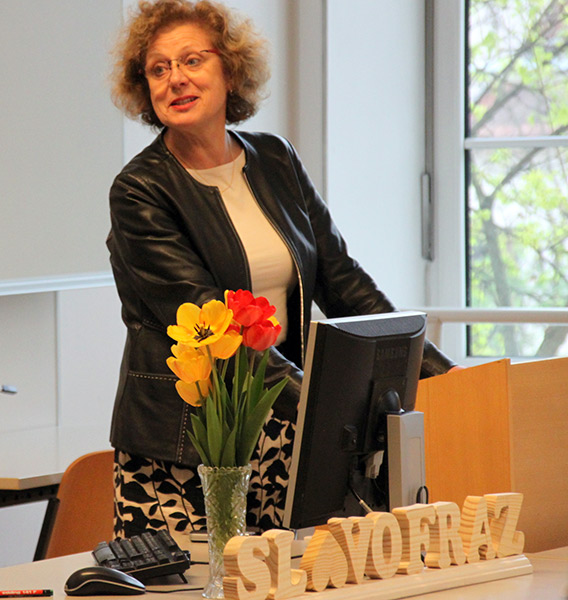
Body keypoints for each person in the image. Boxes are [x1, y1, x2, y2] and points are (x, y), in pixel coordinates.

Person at [106, 0, 456, 538]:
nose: (175, 79)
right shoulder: (140, 190)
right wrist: (318, 404)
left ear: (231, 70)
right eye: (158, 68)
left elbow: (343, 283)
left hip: (286, 427)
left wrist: (435, 373)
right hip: (185, 448)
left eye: (192, 61)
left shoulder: (275, 159)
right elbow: (210, 319)